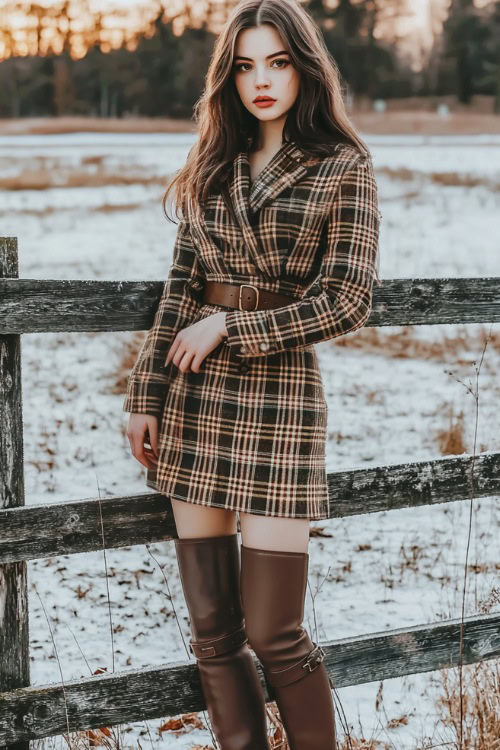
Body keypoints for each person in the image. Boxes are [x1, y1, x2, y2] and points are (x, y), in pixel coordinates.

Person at [124, 0, 381, 747]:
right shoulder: (212, 163)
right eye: (244, 65)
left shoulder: (343, 166)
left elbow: (348, 299)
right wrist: (146, 394)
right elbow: (178, 292)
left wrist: (235, 324)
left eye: (276, 62)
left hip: (279, 404)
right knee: (212, 632)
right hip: (195, 402)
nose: (260, 81)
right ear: (227, 77)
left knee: (276, 632)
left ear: (304, 67)